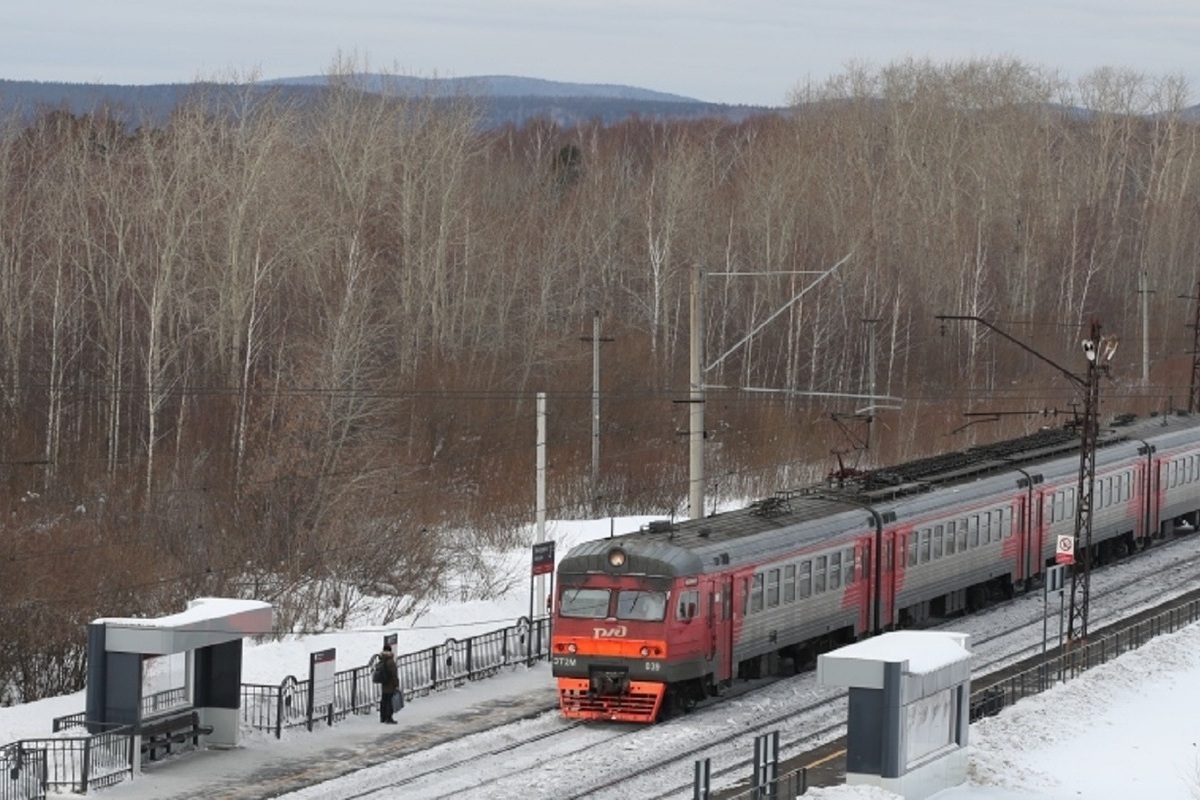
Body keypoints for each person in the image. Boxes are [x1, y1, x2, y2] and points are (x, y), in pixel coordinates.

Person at [379, 645, 400, 724]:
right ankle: (389, 718)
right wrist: (396, 684)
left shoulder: (381, 659)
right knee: (389, 701)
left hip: (384, 683)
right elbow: (394, 674)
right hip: (390, 684)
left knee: (384, 700)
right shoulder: (390, 661)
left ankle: (382, 717)